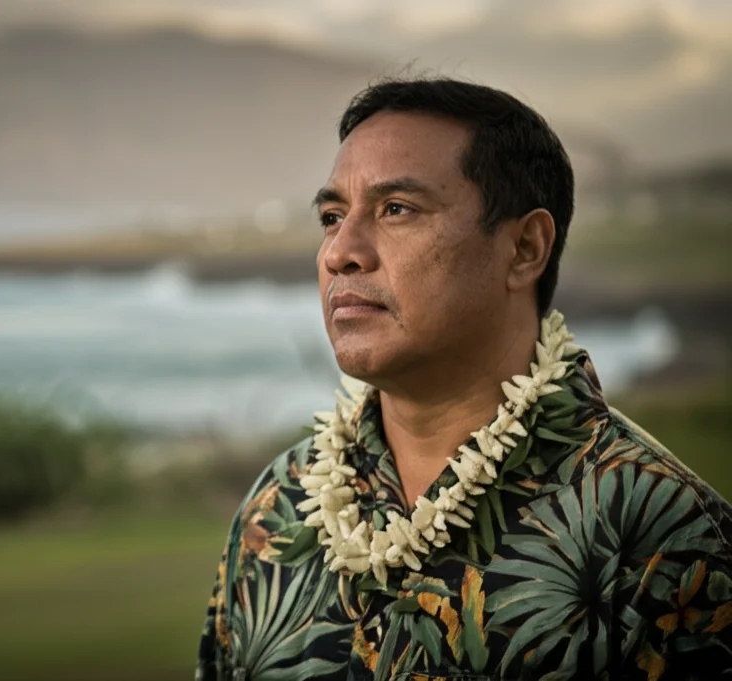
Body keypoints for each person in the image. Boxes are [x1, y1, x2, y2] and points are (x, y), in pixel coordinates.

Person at [195, 77, 732, 681]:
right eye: (331, 216)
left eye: (396, 209)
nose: (339, 251)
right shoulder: (279, 507)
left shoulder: (657, 532)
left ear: (525, 248)